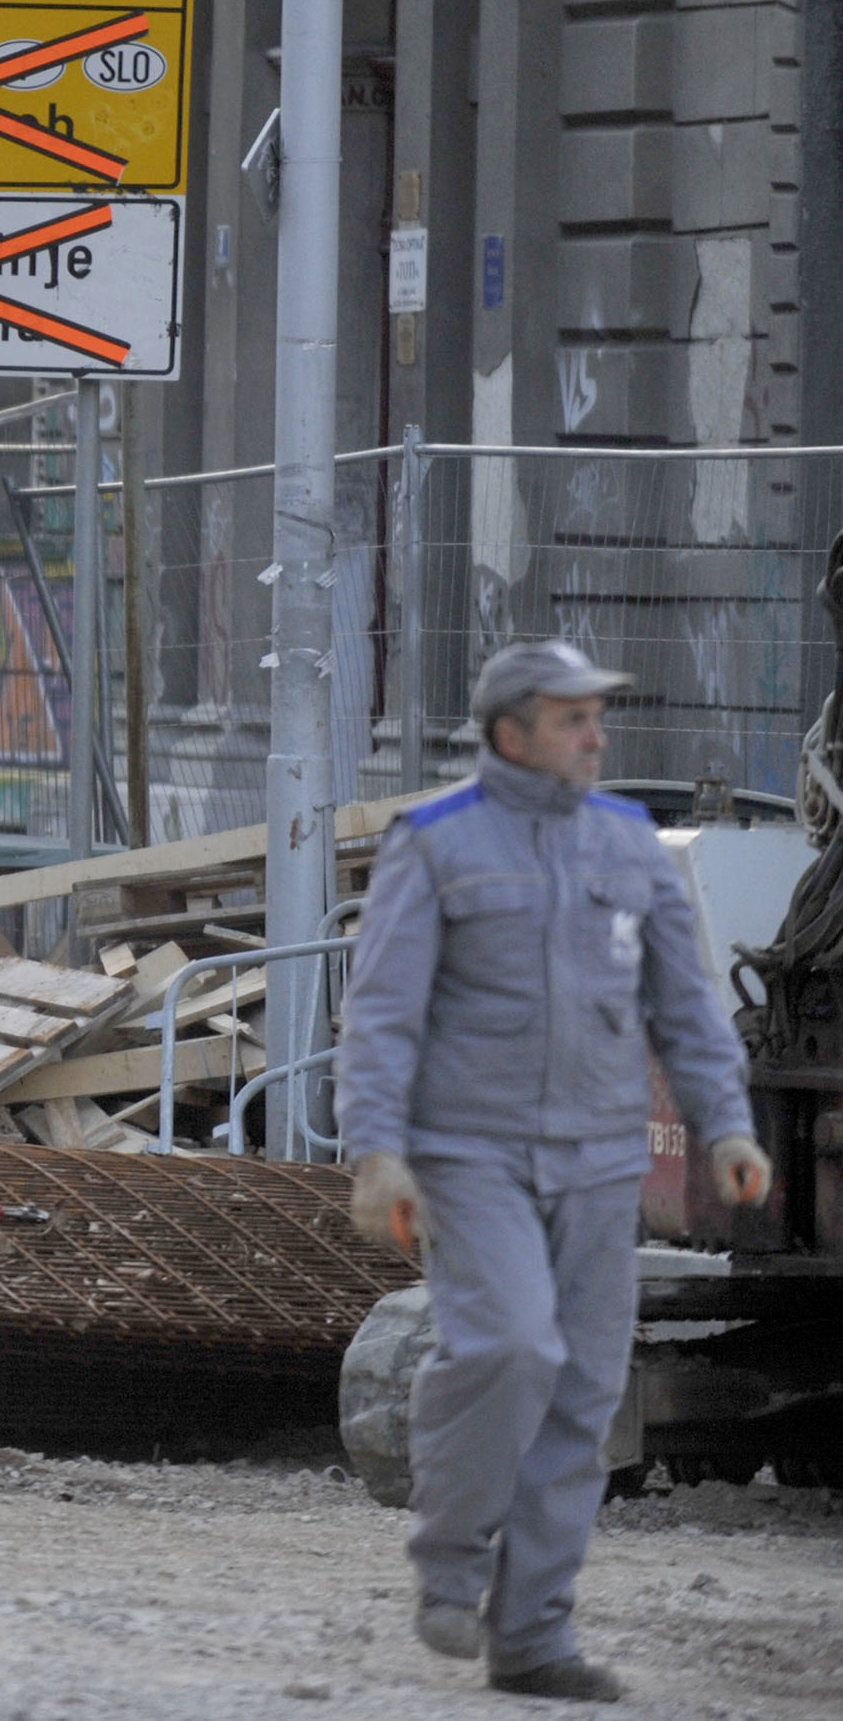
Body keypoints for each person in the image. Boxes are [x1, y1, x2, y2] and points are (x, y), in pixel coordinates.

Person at [339, 640, 773, 1702]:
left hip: (597, 1160)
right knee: (507, 1344)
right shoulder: (432, 843)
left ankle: (529, 1636)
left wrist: (725, 1126)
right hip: (468, 1155)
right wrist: (374, 1150)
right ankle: (448, 1562)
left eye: (595, 715)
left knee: (583, 1391)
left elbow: (687, 1007)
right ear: (509, 732)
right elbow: (382, 1012)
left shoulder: (627, 844)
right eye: (572, 717)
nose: (595, 735)